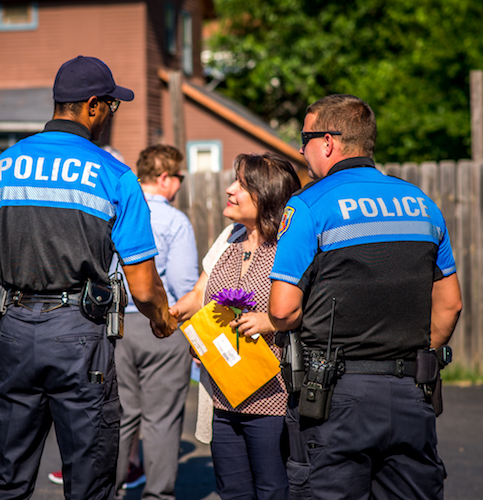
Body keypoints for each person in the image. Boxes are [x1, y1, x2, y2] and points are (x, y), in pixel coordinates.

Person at [0, 55, 177, 500]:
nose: (110, 117)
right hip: (80, 336)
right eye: (111, 107)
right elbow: (142, 286)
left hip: (13, 334)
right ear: (93, 106)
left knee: (4, 482)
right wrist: (161, 320)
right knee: (88, 483)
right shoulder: (114, 175)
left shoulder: (0, 168)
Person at [268, 94, 462, 500]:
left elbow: (283, 311)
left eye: (304, 138)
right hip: (411, 391)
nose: (300, 149)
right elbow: (450, 304)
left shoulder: (308, 206)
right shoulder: (422, 204)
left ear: (327, 142)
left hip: (336, 397)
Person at [172, 153, 301, 500]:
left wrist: (270, 320)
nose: (229, 190)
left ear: (267, 194)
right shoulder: (229, 238)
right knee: (231, 491)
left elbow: (313, 309)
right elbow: (200, 294)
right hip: (223, 397)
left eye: (242, 185)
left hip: (272, 399)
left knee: (273, 490)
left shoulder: (289, 248)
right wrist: (176, 320)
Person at [113, 144, 198, 500]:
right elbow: (183, 284)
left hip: (115, 326)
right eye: (178, 177)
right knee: (161, 420)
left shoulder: (115, 211)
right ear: (164, 177)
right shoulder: (175, 221)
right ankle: (157, 495)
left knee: (118, 417)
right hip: (162, 324)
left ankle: (107, 489)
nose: (179, 184)